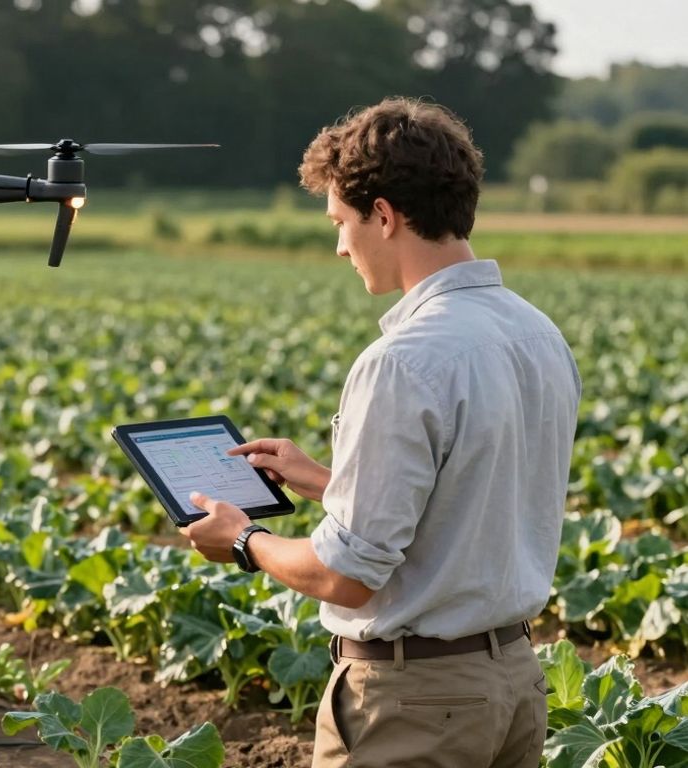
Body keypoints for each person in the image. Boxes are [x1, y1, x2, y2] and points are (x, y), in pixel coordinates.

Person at [180, 97, 581, 768]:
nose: (340, 244)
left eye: (341, 221)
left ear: (385, 216)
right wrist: (328, 483)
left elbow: (347, 576)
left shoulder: (404, 360)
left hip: (414, 703)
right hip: (512, 683)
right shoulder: (535, 333)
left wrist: (244, 539)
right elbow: (469, 502)